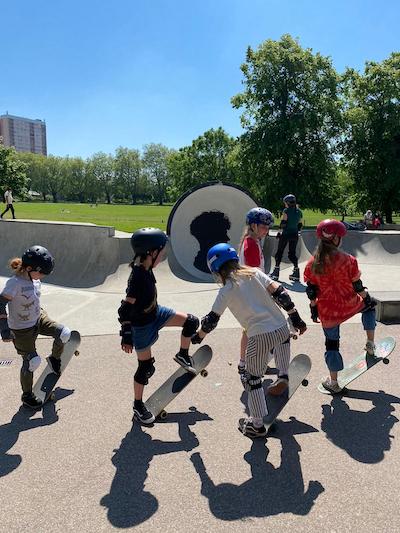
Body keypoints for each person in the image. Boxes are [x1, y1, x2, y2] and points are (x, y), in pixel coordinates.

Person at [191, 243, 307, 438]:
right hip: (280, 326)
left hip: (259, 335)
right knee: (283, 340)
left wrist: (199, 336)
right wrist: (295, 317)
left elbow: (211, 320)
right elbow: (281, 293)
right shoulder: (254, 272)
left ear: (217, 270)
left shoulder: (226, 290)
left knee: (252, 378)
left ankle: (256, 424)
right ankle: (284, 374)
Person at [118, 227, 200, 425]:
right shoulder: (137, 277)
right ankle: (138, 405)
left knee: (191, 321)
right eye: (161, 252)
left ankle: (183, 354)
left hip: (156, 313)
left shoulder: (146, 268)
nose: (163, 256)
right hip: (141, 327)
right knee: (146, 368)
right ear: (150, 253)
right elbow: (124, 310)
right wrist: (126, 334)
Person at [304, 219, 377, 394]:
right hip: (350, 304)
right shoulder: (348, 260)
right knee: (369, 307)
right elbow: (358, 286)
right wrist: (367, 298)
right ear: (335, 239)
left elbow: (312, 291)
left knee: (332, 345)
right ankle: (370, 343)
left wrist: (314, 309)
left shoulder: (312, 263)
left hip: (328, 312)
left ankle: (334, 382)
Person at [0, 246, 71, 408]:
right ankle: (27, 395)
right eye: (42, 273)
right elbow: (0, 304)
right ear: (30, 268)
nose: (43, 276)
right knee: (33, 362)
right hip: (21, 329)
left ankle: (55, 359)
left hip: (38, 319)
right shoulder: (14, 283)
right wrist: (4, 328)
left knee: (64, 333)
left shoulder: (35, 280)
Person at [237, 207, 274, 375]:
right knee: (258, 329)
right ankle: (250, 363)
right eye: (263, 226)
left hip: (251, 292)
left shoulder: (253, 241)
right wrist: (268, 292)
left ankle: (244, 362)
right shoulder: (250, 244)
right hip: (253, 292)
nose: (266, 230)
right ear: (253, 225)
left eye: (268, 227)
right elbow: (254, 273)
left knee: (251, 329)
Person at [270, 194, 303, 282]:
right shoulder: (299, 211)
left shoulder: (286, 211)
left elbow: (283, 223)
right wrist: (297, 231)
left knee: (279, 252)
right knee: (292, 254)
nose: (285, 204)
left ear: (288, 203)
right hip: (294, 235)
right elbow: (300, 224)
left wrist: (279, 232)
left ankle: (276, 272)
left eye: (285, 202)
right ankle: (296, 272)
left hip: (286, 234)